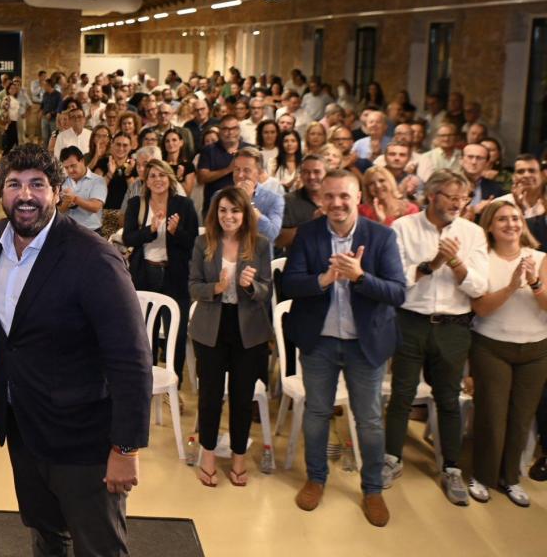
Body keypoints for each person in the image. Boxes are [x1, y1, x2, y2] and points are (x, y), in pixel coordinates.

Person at [0, 143, 152, 555]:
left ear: (57, 191)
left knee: (98, 547)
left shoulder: (94, 257)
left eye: (37, 184)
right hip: (24, 427)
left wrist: (126, 447)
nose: (25, 195)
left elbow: (131, 358)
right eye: (14, 184)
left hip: (83, 440)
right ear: (1, 193)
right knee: (46, 535)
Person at [284, 169, 406, 527]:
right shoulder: (308, 234)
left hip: (365, 344)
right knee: (317, 412)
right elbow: (289, 284)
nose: (336, 203)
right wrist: (323, 279)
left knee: (369, 420)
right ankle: (316, 478)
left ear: (358, 199)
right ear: (321, 199)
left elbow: (398, 292)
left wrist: (359, 277)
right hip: (319, 341)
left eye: (344, 196)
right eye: (330, 196)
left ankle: (372, 489)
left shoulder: (382, 236)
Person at [384, 169, 489, 505]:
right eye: (451, 197)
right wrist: (432, 263)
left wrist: (455, 262)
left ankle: (451, 468)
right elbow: (396, 278)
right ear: (431, 195)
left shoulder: (473, 233)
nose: (459, 204)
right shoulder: (404, 227)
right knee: (402, 393)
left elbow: (479, 286)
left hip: (453, 326)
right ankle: (391, 459)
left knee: (448, 398)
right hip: (410, 321)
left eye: (463, 198)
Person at [190, 185, 273, 486]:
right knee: (210, 397)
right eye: (223, 210)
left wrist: (250, 286)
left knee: (241, 397)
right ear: (216, 213)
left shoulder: (260, 244)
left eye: (235, 210)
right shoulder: (203, 242)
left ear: (245, 213)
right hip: (211, 327)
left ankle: (239, 457)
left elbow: (266, 290)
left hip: (248, 330)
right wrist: (216, 288)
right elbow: (193, 286)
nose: (228, 216)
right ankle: (208, 455)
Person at [467, 200, 547, 507]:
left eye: (515, 218)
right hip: (491, 346)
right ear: (489, 226)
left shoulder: (539, 258)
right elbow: (481, 308)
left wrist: (534, 282)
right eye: (502, 219)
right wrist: (513, 286)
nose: (511, 224)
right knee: (491, 415)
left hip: (536, 350)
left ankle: (510, 478)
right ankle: (482, 476)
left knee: (521, 417)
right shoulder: (482, 259)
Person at [123, 158, 198, 390]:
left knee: (177, 333)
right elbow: (128, 238)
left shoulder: (184, 205)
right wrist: (151, 230)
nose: (158, 180)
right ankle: (148, 383)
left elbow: (194, 243)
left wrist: (176, 231)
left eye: (162, 175)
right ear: (146, 180)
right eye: (153, 176)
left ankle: (174, 386)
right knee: (146, 334)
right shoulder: (137, 203)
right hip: (145, 273)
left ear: (170, 178)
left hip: (175, 275)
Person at [196, 114, 249, 213]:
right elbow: (201, 178)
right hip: (214, 207)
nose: (230, 132)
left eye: (234, 128)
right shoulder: (208, 150)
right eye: (226, 129)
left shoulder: (249, 150)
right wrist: (228, 169)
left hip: (243, 205)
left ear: (239, 130)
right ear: (220, 131)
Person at [276, 155, 326, 249]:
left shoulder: (336, 200)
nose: (311, 177)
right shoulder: (287, 201)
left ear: (327, 174)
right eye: (306, 172)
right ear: (300, 175)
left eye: (317, 172)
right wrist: (311, 224)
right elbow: (280, 241)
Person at [58, 146, 107, 234]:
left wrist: (75, 199)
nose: (70, 170)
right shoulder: (62, 182)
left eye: (73, 166)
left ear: (82, 161)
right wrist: (66, 202)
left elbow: (95, 207)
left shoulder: (97, 180)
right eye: (66, 167)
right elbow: (59, 212)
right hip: (68, 230)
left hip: (91, 232)